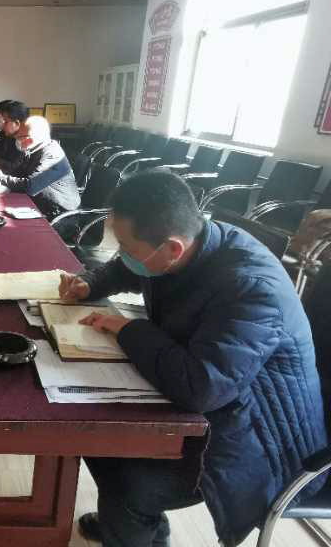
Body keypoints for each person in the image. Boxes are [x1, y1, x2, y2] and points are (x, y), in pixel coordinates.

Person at [58, 170, 327, 547]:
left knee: (127, 482)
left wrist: (128, 329)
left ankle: (131, 519)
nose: (124, 255)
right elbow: (130, 268)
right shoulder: (189, 244)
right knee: (95, 437)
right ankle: (138, 529)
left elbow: (201, 388)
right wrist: (92, 283)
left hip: (260, 442)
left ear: (172, 249)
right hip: (219, 405)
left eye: (128, 248)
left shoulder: (251, 289)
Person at [0, 115, 80, 218]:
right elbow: (19, 171)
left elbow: (30, 186)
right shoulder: (34, 148)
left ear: (30, 140)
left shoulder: (52, 155)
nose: (16, 139)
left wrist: (0, 177)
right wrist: (1, 173)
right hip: (39, 203)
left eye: (19, 136)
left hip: (59, 214)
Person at [0, 100, 28, 166]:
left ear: (17, 123)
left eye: (5, 121)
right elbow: (0, 151)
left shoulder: (25, 141)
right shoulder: (9, 135)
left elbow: (15, 167)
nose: (2, 124)